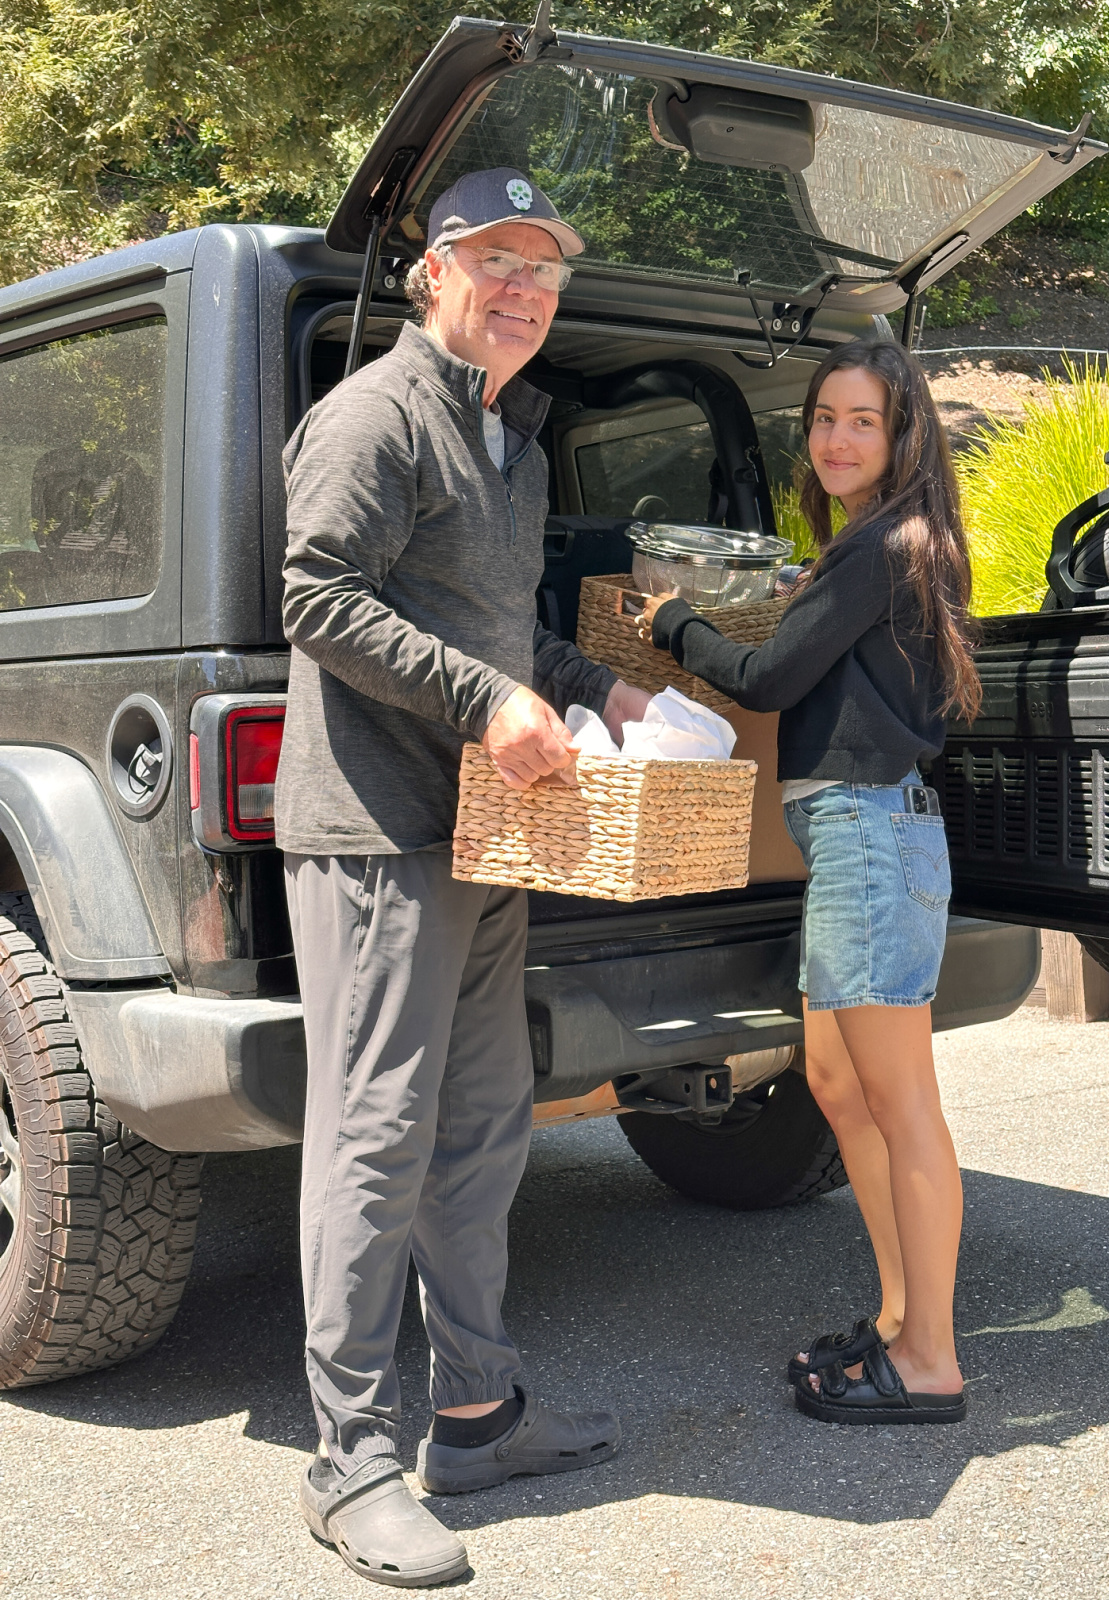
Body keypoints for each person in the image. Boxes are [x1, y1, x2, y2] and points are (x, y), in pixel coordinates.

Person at [276, 167, 652, 1587]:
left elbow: (495, 620)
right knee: (374, 1139)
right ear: (434, 271)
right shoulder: (376, 416)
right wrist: (484, 702)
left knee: (489, 1124)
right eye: (499, 261)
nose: (526, 291)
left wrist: (584, 685)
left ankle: (480, 1414)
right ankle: (349, 1460)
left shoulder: (512, 438)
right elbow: (316, 595)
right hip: (379, 829)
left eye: (546, 272)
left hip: (491, 832)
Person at [639, 338, 981, 1426]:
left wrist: (672, 620)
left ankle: (931, 1358)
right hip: (853, 839)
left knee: (902, 1103)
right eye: (825, 417)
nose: (836, 436)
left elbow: (771, 676)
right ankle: (894, 1321)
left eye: (861, 420)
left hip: (874, 836)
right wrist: (803, 589)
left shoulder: (884, 545)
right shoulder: (879, 548)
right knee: (837, 1088)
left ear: (902, 434)